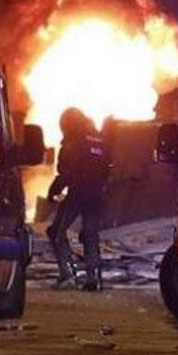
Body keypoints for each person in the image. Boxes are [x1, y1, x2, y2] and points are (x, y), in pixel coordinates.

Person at [46, 108, 111, 291]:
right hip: (97, 195)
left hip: (78, 193)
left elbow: (66, 171)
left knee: (56, 232)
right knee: (90, 234)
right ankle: (94, 278)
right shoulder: (101, 139)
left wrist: (53, 191)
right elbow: (108, 168)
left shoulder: (74, 140)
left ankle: (68, 274)